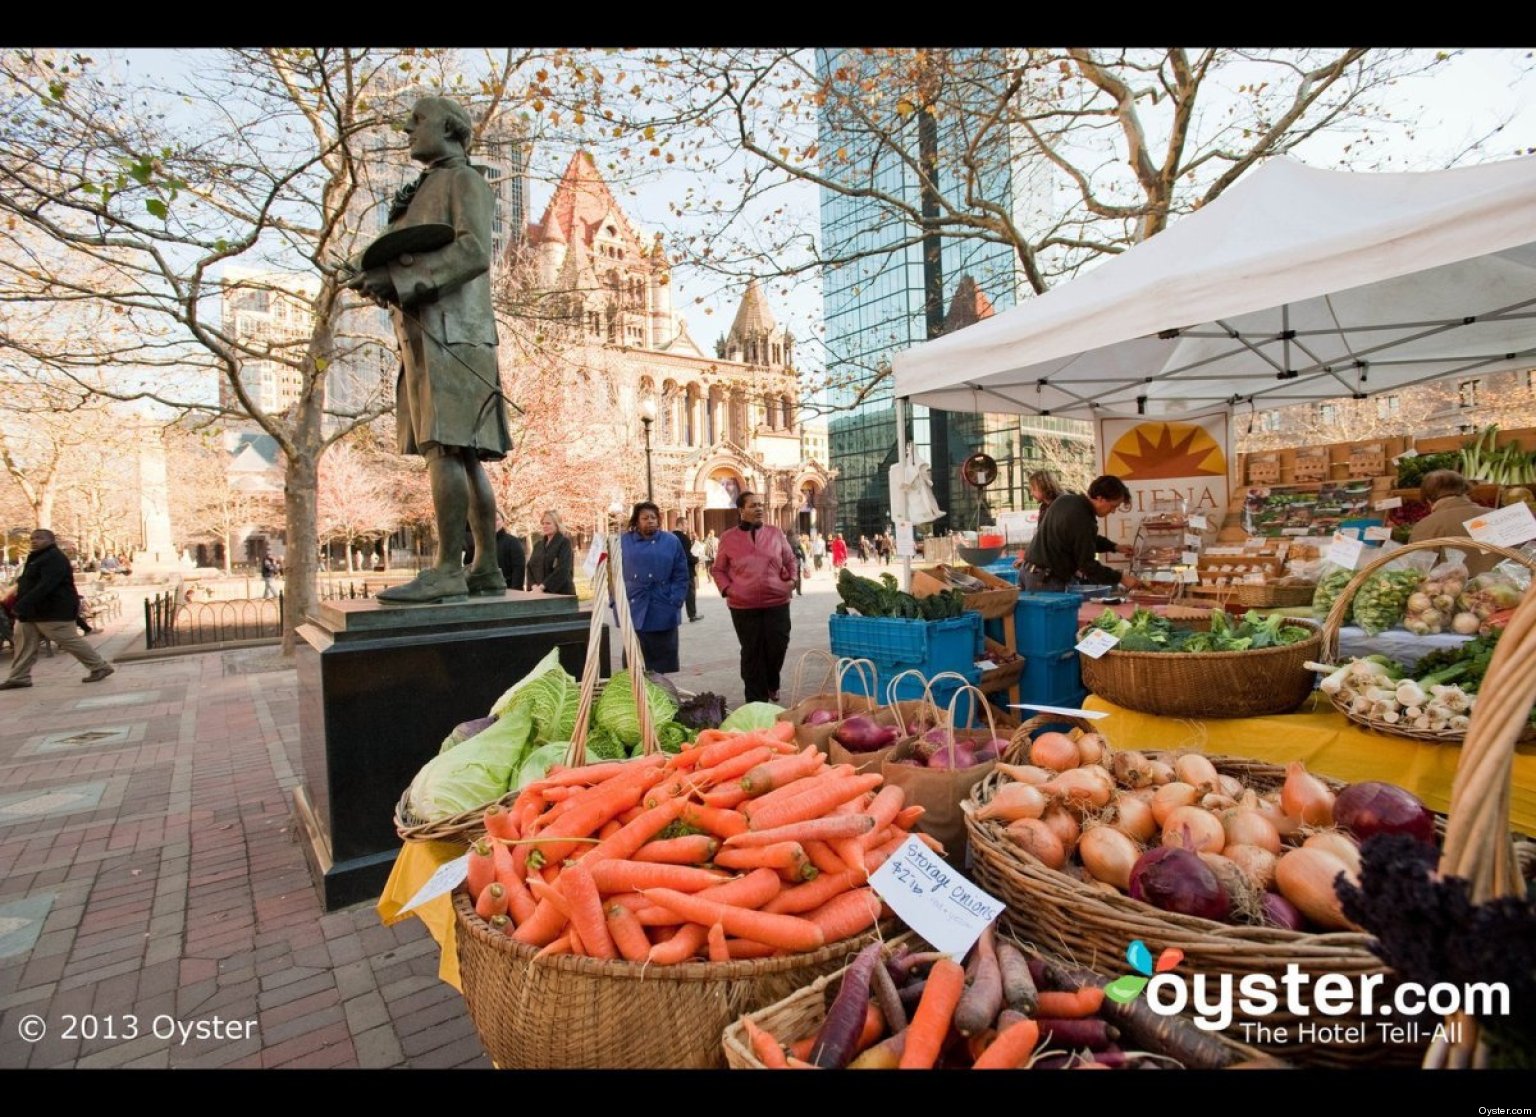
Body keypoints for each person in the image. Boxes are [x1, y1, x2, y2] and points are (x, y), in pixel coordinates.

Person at [345, 95, 511, 605]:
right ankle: (484, 567)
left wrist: (402, 278)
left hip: (452, 333)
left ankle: (448, 567)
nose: (407, 130)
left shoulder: (463, 180)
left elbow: (473, 251)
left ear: (451, 128)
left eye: (417, 122)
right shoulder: (431, 184)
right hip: (431, 334)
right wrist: (380, 278)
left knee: (446, 447)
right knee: (460, 452)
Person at [1, 529, 114, 690]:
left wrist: (23, 603)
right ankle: (19, 676)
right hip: (31, 612)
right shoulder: (37, 558)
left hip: (52, 610)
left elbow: (46, 585)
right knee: (23, 643)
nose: (34, 541)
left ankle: (99, 666)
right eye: (32, 538)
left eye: (39, 538)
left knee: (68, 640)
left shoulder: (54, 558)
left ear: (51, 540)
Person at [712, 491, 797, 704]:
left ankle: (772, 682)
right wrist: (728, 590)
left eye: (761, 504)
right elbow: (718, 570)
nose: (759, 508)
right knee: (752, 652)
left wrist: (791, 583)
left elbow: (790, 560)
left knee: (778, 646)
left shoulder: (775, 533)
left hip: (777, 602)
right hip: (743, 606)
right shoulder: (728, 537)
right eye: (753, 505)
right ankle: (756, 700)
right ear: (741, 510)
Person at [1017, 475, 1143, 595]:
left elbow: (1082, 538)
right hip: (1045, 580)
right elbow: (1087, 565)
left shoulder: (1068, 500)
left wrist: (1115, 547)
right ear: (1100, 498)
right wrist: (1121, 578)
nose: (1113, 511)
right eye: (1113, 506)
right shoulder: (1083, 518)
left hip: (1028, 572)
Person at [616, 502, 690, 675]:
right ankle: (637, 700)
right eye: (645, 518)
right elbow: (613, 576)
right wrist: (615, 603)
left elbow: (681, 574)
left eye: (653, 517)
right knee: (634, 664)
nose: (650, 521)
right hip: (635, 607)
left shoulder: (671, 541)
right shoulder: (623, 542)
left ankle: (659, 697)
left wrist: (675, 600)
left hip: (663, 606)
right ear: (636, 521)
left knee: (659, 667)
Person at [1409, 469, 1501, 576]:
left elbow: (1419, 573)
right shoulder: (1499, 516)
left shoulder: (1425, 526)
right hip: (1512, 590)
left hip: (1455, 592)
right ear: (1466, 490)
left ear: (1428, 500)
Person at [527, 510, 575, 595]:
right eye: (543, 523)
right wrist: (534, 586)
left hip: (560, 594)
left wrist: (543, 586)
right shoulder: (538, 545)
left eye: (548, 523)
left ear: (557, 525)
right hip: (538, 593)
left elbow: (563, 569)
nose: (545, 526)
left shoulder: (564, 543)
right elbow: (530, 567)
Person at [672, 516, 702, 622]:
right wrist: (696, 559)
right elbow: (686, 556)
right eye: (685, 524)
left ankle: (672, 616)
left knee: (675, 593)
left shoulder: (670, 537)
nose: (687, 527)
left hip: (674, 571)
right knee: (690, 593)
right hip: (686, 570)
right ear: (679, 524)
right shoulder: (684, 538)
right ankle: (692, 615)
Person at [494, 518, 526, 595]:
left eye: (497, 519)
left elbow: (519, 568)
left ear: (503, 522)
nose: (494, 522)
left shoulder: (513, 542)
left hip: (509, 590)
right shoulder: (481, 543)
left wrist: (515, 591)